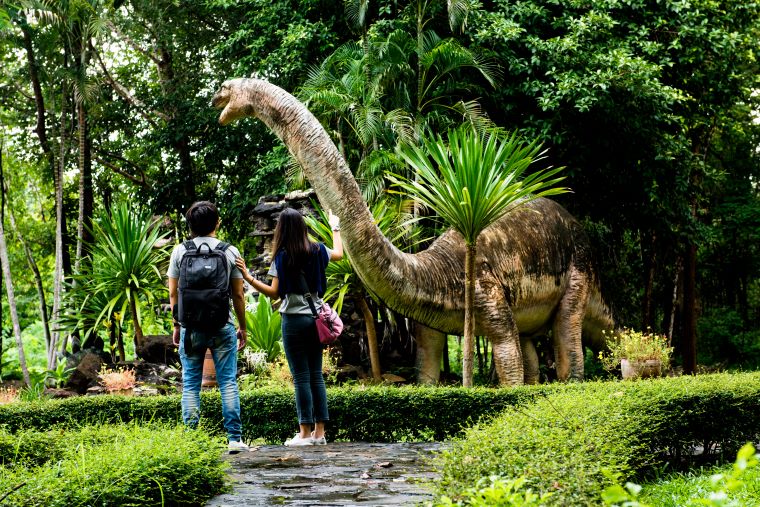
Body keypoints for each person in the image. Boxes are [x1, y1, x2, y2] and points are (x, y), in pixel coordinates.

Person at [235, 207, 343, 446]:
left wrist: (248, 277)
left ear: (281, 230)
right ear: (303, 228)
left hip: (293, 321)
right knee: (316, 376)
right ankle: (320, 433)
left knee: (301, 377)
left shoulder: (282, 256)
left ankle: (304, 435)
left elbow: (274, 292)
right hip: (316, 321)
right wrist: (335, 225)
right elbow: (339, 253)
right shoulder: (318, 250)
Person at [167, 201, 250, 453]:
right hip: (222, 326)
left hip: (191, 327)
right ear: (217, 223)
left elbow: (173, 294)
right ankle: (234, 440)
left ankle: (192, 441)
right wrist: (243, 327)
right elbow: (238, 296)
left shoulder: (180, 252)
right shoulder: (230, 252)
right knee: (228, 383)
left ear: (190, 226)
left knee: (191, 384)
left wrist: (177, 325)